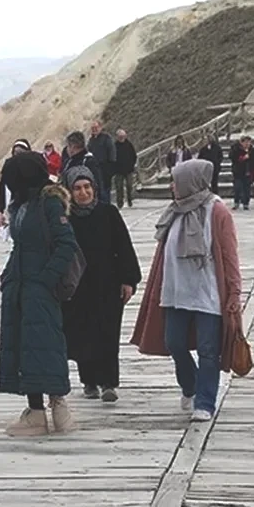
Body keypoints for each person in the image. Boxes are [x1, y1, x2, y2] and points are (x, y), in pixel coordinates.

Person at [131, 159, 245, 423]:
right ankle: (190, 384)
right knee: (174, 342)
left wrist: (234, 292)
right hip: (175, 292)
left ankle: (205, 402)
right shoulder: (174, 211)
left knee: (208, 349)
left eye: (176, 180)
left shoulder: (217, 212)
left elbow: (230, 255)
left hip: (207, 293)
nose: (172, 186)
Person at [0, 150, 78, 436]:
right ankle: (35, 411)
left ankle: (58, 404)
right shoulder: (22, 203)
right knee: (24, 347)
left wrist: (46, 278)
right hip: (19, 284)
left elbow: (66, 244)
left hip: (39, 286)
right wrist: (8, 276)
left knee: (46, 343)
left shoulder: (49, 202)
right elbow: (20, 245)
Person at [62, 166, 141, 403]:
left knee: (108, 332)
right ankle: (89, 381)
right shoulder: (65, 218)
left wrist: (128, 280)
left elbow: (123, 247)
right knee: (82, 333)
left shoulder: (108, 213)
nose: (83, 192)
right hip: (77, 286)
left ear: (94, 188)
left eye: (87, 187)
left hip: (108, 284)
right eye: (77, 188)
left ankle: (109, 382)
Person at [0, 139, 32, 226]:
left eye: (21, 153)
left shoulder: (34, 168)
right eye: (16, 153)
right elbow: (2, 190)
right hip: (13, 208)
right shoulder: (9, 167)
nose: (18, 156)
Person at [61, 131, 105, 201]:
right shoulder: (69, 161)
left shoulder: (87, 162)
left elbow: (97, 185)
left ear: (72, 146)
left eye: (68, 146)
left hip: (84, 201)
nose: (67, 149)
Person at [86, 121, 116, 205]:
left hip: (105, 167)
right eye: (92, 128)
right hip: (94, 168)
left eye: (96, 128)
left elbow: (112, 152)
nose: (94, 130)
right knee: (97, 188)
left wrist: (111, 167)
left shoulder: (106, 138)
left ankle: (107, 206)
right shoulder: (91, 140)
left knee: (105, 189)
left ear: (100, 128)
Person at [228, 135, 254, 210]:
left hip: (248, 172)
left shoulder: (252, 150)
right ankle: (236, 202)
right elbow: (232, 157)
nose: (247, 144)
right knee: (237, 187)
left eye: (249, 142)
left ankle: (246, 203)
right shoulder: (235, 149)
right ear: (241, 142)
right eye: (246, 142)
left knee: (247, 188)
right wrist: (242, 158)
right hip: (238, 172)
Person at [113, 129, 137, 208]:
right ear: (117, 137)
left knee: (129, 186)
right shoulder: (114, 146)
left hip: (129, 170)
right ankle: (120, 202)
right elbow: (112, 157)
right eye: (120, 136)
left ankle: (129, 199)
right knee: (119, 187)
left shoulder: (129, 144)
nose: (122, 138)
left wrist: (132, 164)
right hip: (118, 171)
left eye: (123, 136)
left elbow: (134, 155)